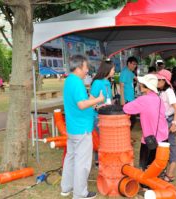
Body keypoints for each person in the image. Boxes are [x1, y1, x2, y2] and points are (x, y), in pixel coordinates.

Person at [61, 55, 104, 199]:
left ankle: (66, 188)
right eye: (86, 67)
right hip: (81, 128)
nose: (87, 71)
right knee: (82, 162)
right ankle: (80, 193)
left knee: (71, 157)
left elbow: (80, 101)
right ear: (79, 67)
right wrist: (98, 99)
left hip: (73, 128)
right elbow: (81, 104)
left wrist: (91, 101)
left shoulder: (69, 80)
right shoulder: (77, 82)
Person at [123, 74, 169, 171]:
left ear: (146, 87)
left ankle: (146, 185)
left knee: (145, 170)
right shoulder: (158, 99)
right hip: (163, 137)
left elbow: (126, 108)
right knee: (157, 167)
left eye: (141, 84)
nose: (139, 85)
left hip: (150, 140)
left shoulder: (143, 99)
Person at [156, 69, 176, 182]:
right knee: (163, 148)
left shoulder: (169, 92)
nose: (156, 81)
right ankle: (165, 172)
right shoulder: (162, 91)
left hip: (169, 121)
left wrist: (174, 124)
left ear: (164, 81)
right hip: (163, 122)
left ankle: (169, 175)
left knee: (171, 148)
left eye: (158, 79)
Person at [90, 60, 115, 167]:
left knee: (105, 139)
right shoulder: (97, 83)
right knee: (100, 140)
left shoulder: (107, 82)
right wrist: (97, 106)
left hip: (107, 115)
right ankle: (99, 161)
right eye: (113, 69)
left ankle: (103, 160)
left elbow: (107, 98)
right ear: (107, 70)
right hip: (97, 116)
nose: (114, 71)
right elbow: (90, 102)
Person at [119, 56, 138, 129]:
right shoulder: (124, 72)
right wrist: (122, 99)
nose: (134, 66)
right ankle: (126, 135)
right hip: (126, 100)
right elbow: (121, 86)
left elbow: (137, 79)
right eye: (133, 64)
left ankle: (127, 135)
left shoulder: (130, 72)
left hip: (131, 99)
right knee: (130, 119)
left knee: (132, 119)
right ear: (128, 63)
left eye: (135, 64)